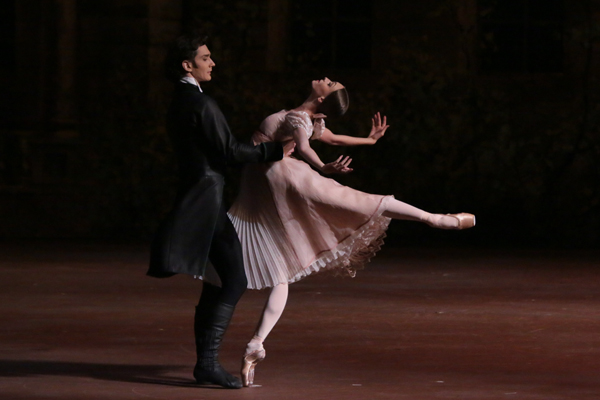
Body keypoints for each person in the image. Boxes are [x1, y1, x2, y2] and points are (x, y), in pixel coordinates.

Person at [225, 78, 475, 387]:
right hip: (270, 182)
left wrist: (322, 167)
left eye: (328, 83)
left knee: (291, 260)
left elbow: (308, 145)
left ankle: (435, 219)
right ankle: (255, 344)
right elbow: (326, 140)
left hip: (268, 181)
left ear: (321, 99)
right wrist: (366, 142)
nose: (323, 79)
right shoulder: (304, 117)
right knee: (341, 212)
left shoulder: (299, 116)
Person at [147, 33, 283, 389]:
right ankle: (206, 364)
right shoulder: (200, 104)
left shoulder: (181, 100)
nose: (212, 62)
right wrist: (274, 151)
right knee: (234, 279)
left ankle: (206, 363)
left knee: (217, 282)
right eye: (205, 57)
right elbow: (230, 152)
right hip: (205, 201)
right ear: (187, 65)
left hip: (203, 197)